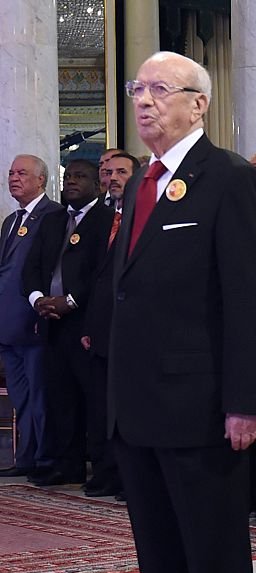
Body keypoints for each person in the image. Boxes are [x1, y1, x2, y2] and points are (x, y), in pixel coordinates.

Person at [104, 51, 256, 573]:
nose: (143, 100)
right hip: (139, 403)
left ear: (197, 104)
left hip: (202, 403)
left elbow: (250, 300)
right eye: (136, 88)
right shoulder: (140, 181)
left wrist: (245, 401)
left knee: (211, 545)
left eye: (159, 90)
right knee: (160, 546)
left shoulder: (226, 179)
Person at [22, 159, 114, 489]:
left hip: (85, 323)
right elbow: (31, 268)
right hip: (51, 322)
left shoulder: (106, 221)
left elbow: (103, 273)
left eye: (80, 177)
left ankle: (103, 469)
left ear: (97, 185)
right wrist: (38, 300)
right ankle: (67, 464)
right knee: (60, 397)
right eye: (69, 177)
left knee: (93, 399)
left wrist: (70, 301)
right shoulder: (52, 220)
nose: (72, 182)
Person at [0, 155, 63, 478]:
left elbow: (46, 270)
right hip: (8, 324)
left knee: (41, 396)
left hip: (34, 321)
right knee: (21, 398)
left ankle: (44, 457)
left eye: (22, 173)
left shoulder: (52, 216)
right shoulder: (11, 221)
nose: (14, 178)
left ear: (42, 180)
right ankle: (24, 457)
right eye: (11, 173)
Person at [81, 153, 139, 498]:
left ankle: (125, 476)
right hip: (102, 329)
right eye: (108, 173)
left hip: (132, 332)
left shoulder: (143, 218)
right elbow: (97, 279)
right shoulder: (103, 219)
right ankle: (105, 471)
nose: (112, 178)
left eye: (121, 172)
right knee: (101, 407)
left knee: (127, 407)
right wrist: (90, 326)